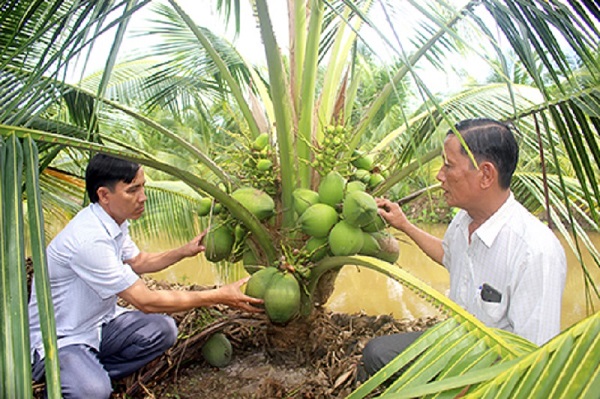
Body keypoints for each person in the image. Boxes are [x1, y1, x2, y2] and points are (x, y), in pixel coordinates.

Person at [28, 154, 263, 399]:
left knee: (162, 330)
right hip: (61, 339)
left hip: (99, 326)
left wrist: (184, 251)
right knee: (94, 392)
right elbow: (145, 301)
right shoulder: (89, 239)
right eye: (133, 190)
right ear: (104, 195)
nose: (143, 197)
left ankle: (89, 374)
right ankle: (76, 384)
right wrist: (219, 295)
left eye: (143, 187)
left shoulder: (114, 221)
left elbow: (139, 261)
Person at [360, 118, 566, 378]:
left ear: (486, 175)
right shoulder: (463, 220)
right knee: (376, 354)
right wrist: (405, 225)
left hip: (496, 371)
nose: (439, 175)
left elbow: (533, 358)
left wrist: (465, 389)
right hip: (456, 343)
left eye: (449, 166)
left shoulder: (535, 252)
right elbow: (449, 255)